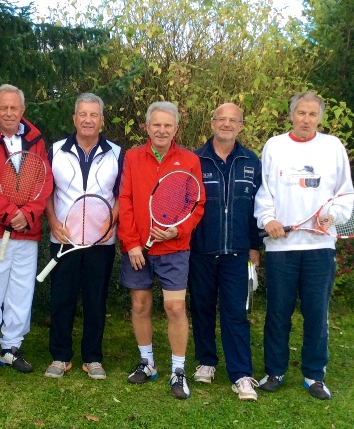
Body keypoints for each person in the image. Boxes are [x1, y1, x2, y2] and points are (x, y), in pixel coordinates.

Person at [254, 91, 353, 401]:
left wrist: (332, 216)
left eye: (312, 114)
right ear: (291, 115)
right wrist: (267, 220)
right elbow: (264, 191)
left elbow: (345, 193)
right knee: (278, 313)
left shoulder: (333, 147)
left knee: (316, 313)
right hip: (281, 248)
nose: (306, 120)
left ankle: (314, 375)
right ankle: (275, 372)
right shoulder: (274, 146)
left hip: (320, 247)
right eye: (301, 113)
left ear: (319, 118)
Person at [118, 101, 205, 399]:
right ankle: (148, 363)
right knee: (140, 306)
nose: (162, 130)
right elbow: (125, 201)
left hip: (175, 249)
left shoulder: (190, 160)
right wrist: (131, 244)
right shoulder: (131, 157)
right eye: (156, 124)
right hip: (138, 250)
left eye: (168, 125)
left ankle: (178, 371)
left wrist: (176, 230)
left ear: (176, 128)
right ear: (146, 126)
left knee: (175, 308)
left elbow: (197, 204)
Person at [0, 85, 53, 376]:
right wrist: (8, 213)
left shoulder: (35, 138)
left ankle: (11, 347)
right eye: (3, 107)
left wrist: (28, 214)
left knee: (21, 291)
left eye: (13, 108)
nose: (8, 113)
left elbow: (45, 180)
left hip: (26, 231)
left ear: (22, 111)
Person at [44, 93, 123, 380]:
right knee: (61, 299)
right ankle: (60, 357)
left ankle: (93, 358)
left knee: (95, 299)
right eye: (83, 114)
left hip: (101, 241)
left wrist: (110, 223)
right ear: (74, 119)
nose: (88, 119)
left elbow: (121, 195)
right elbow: (47, 192)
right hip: (65, 239)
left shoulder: (116, 152)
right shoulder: (55, 151)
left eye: (94, 115)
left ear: (101, 120)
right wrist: (52, 222)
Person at [188, 103, 262, 401]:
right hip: (200, 250)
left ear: (241, 126)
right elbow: (184, 204)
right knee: (202, 309)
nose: (227, 124)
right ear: (211, 123)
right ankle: (206, 362)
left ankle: (241, 374)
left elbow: (259, 207)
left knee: (236, 313)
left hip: (237, 253)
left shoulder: (251, 161)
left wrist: (255, 246)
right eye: (222, 119)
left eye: (234, 120)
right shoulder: (194, 159)